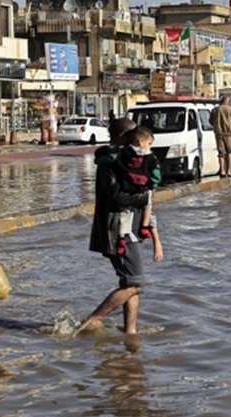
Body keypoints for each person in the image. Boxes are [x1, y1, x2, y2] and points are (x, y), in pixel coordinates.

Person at [77, 118, 157, 336]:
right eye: (135, 138)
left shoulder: (131, 161)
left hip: (132, 227)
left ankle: (130, 331)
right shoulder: (110, 163)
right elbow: (117, 197)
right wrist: (144, 197)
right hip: (117, 228)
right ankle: (94, 318)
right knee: (135, 283)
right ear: (123, 137)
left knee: (130, 281)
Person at [114, 126, 164, 263]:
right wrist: (152, 185)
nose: (150, 147)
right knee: (148, 206)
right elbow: (156, 176)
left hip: (125, 189)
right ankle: (144, 226)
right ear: (141, 141)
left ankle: (121, 237)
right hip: (142, 190)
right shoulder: (150, 157)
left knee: (124, 213)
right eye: (150, 143)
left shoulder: (121, 155)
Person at [209, 95, 231, 178]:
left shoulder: (215, 110)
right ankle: (229, 171)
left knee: (221, 153)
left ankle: (222, 170)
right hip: (229, 133)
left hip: (218, 133)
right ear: (228, 102)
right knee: (229, 152)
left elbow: (210, 121)